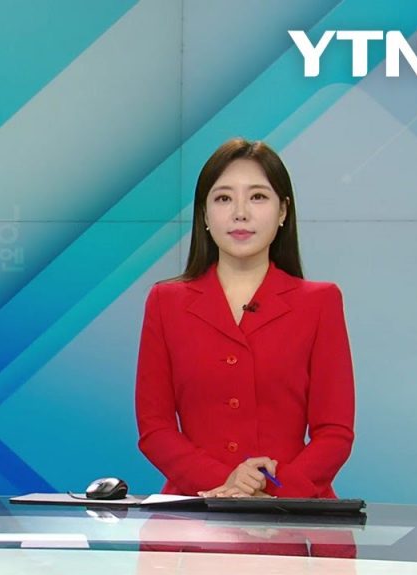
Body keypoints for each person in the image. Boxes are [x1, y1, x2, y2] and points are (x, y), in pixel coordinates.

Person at [134, 137, 354, 498]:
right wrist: (226, 483)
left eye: (258, 197)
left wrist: (272, 489)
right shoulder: (165, 302)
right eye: (223, 198)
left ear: (283, 211)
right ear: (204, 214)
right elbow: (155, 428)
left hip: (291, 509)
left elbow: (335, 432)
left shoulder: (320, 302)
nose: (240, 213)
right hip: (197, 508)